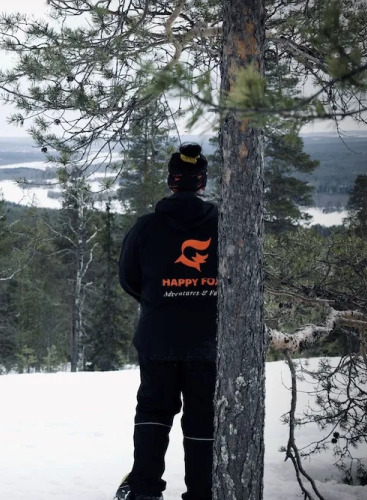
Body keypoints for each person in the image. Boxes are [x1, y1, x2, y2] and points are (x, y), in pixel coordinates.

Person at [115, 143, 218, 500]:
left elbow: (128, 277)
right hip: (208, 341)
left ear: (171, 181)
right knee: (203, 418)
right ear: (202, 182)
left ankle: (144, 491)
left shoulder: (146, 227)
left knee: (154, 412)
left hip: (158, 338)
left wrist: (161, 300)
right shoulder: (224, 224)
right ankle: (203, 494)